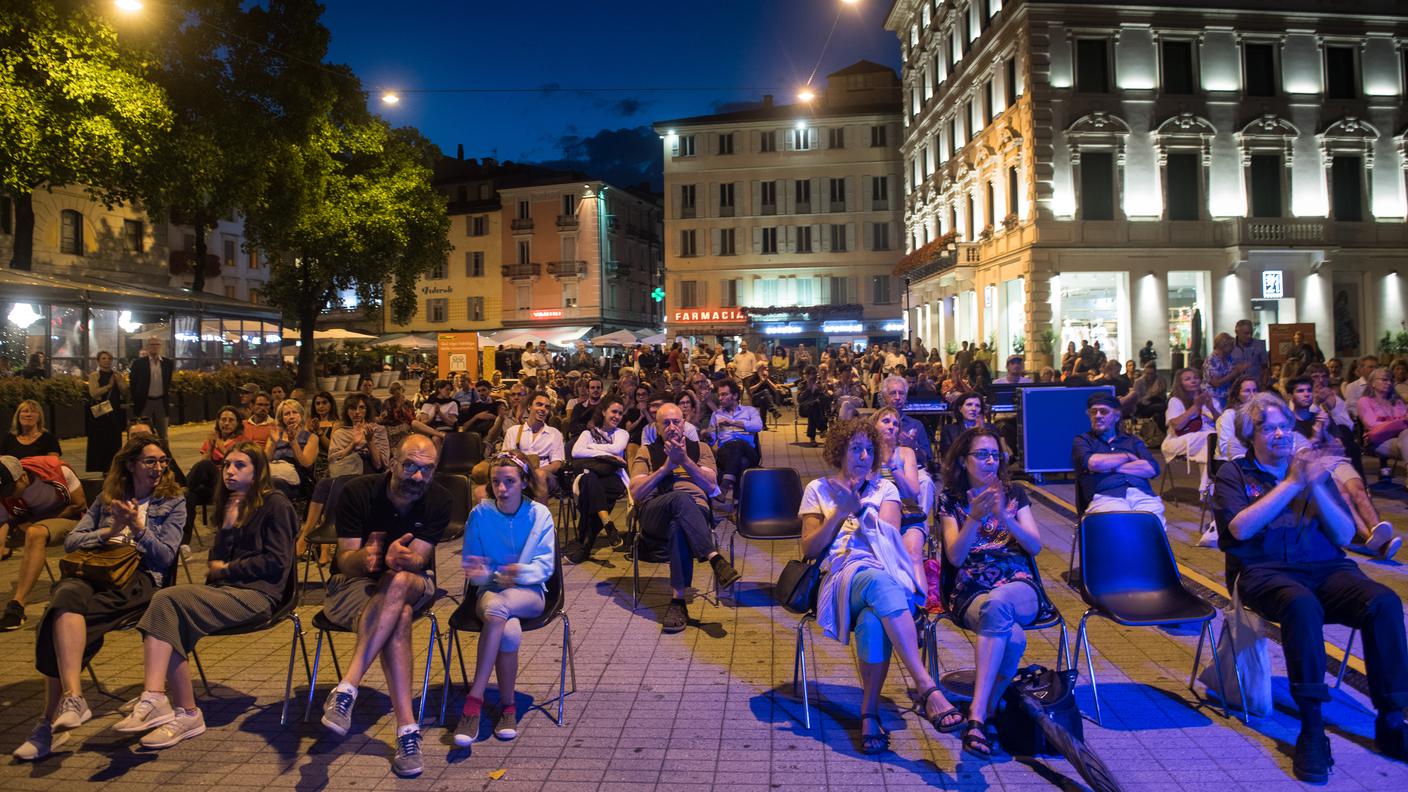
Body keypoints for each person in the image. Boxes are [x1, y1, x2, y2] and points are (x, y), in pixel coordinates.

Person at [1212, 392, 1408, 783]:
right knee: (1302, 606)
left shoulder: (1313, 473)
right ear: (1252, 435)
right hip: (1264, 572)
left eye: (1285, 426)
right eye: (1269, 428)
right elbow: (1239, 528)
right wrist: (1290, 483)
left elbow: (1344, 532)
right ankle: (1313, 728)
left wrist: (1315, 486)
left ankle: (1392, 718)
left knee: (1383, 601)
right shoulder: (1234, 474)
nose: (1281, 434)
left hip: (1327, 568)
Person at [10, 436, 184, 762]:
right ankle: (74, 698)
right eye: (150, 461)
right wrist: (107, 531)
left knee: (54, 621)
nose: (159, 467)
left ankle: (47, 726)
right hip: (96, 572)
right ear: (131, 464)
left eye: (163, 461)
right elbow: (74, 542)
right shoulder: (108, 499)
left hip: (139, 578)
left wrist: (138, 528)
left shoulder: (172, 502)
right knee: (63, 598)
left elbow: (164, 557)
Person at [113, 444, 296, 747]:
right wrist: (227, 525)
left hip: (261, 596)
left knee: (167, 600)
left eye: (240, 465)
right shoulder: (231, 504)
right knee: (167, 611)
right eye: (227, 465)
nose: (230, 472)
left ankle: (165, 702)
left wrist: (229, 569)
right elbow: (215, 564)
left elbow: (277, 563)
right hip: (226, 591)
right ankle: (179, 708)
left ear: (258, 471)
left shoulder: (276, 504)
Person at [799, 418, 963, 754]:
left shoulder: (885, 490)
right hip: (839, 577)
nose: (863, 455)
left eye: (869, 449)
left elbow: (887, 542)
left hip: (880, 573)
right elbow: (810, 549)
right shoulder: (817, 488)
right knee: (878, 582)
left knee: (874, 618)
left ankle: (869, 713)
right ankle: (926, 685)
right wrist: (837, 514)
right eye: (855, 448)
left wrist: (859, 511)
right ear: (839, 451)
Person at [320, 435, 451, 778]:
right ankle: (408, 731)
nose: (418, 477)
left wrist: (398, 559)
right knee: (401, 615)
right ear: (393, 462)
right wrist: (367, 558)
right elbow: (343, 561)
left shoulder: (439, 499)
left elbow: (418, 561)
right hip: (353, 585)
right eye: (410, 466)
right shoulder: (358, 493)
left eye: (426, 469)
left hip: (413, 581)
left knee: (399, 582)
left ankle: (348, 685)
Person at [937, 426, 1050, 757]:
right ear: (962, 461)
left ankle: (974, 714)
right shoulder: (951, 500)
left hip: (1019, 585)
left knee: (1000, 603)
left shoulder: (1014, 494)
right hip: (971, 588)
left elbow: (1034, 545)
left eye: (994, 455)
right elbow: (955, 557)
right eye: (981, 454)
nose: (990, 461)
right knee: (1013, 638)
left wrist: (1005, 518)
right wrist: (974, 518)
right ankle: (986, 711)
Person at [453, 451, 556, 745]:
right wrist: (480, 572)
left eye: (509, 481)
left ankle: (473, 703)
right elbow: (473, 569)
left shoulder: (539, 514)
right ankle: (508, 707)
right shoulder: (480, 514)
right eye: (496, 482)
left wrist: (518, 572)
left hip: (530, 593)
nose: (502, 489)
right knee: (508, 631)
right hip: (491, 592)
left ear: (524, 482)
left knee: (499, 608)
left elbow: (545, 566)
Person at [628, 402, 740, 632]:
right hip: (654, 512)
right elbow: (636, 492)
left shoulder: (701, 449)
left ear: (684, 424)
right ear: (657, 428)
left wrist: (685, 462)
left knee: (679, 524)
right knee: (679, 499)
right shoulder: (646, 451)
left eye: (676, 422)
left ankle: (678, 602)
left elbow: (711, 487)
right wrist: (666, 468)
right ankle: (713, 557)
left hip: (694, 513)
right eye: (665, 423)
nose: (671, 427)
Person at [1287, 377, 1400, 561]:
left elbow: (1339, 447)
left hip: (1336, 460)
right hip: (1315, 465)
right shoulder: (1288, 422)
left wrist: (1323, 432)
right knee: (1344, 496)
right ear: (1291, 395)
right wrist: (1316, 437)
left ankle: (1376, 530)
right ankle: (1373, 540)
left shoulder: (1322, 417)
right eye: (1300, 391)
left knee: (1358, 490)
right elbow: (1300, 454)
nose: (1306, 394)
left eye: (1308, 390)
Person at [0, 455, 87, 630]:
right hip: (28, 522)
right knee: (30, 531)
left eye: (11, 489)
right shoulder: (5, 493)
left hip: (71, 519)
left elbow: (80, 504)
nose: (8, 495)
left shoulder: (56, 470)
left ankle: (17, 605)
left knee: (35, 532)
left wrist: (39, 521)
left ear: (23, 476)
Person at [1071, 391, 1165, 520]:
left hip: (1141, 494)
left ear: (1116, 416)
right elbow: (1094, 463)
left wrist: (1111, 468)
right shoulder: (1083, 440)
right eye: (1093, 412)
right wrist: (1127, 456)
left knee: (1153, 519)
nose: (1097, 416)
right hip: (1106, 496)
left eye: (1103, 412)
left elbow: (1151, 469)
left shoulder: (1132, 441)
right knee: (1119, 519)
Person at [563, 398, 629, 564]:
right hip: (590, 479)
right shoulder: (587, 434)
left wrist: (591, 448)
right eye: (614, 411)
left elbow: (616, 449)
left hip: (613, 480)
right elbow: (576, 452)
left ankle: (582, 543)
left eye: (620, 413)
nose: (617, 416)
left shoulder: (622, 433)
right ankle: (605, 525)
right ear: (604, 412)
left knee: (590, 490)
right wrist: (606, 456)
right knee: (590, 482)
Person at [495, 392, 566, 503]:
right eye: (539, 404)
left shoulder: (554, 433)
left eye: (547, 407)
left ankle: (540, 519)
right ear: (529, 406)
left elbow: (556, 464)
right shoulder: (513, 431)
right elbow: (505, 459)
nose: (543, 409)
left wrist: (531, 473)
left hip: (546, 476)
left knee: (539, 475)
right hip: (517, 474)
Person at [1163, 367, 1218, 497]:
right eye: (1188, 379)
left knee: (1209, 450)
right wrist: (1196, 406)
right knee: (1210, 439)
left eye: (1195, 378)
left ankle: (1207, 491)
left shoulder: (1209, 398)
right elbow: (1177, 424)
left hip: (1205, 441)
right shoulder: (1175, 401)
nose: (1193, 381)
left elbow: (1221, 422)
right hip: (1176, 441)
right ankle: (1208, 491)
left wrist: (1211, 407)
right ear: (1180, 383)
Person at [707, 379, 763, 504]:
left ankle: (724, 487)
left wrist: (733, 423)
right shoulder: (716, 415)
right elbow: (712, 441)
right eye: (719, 395)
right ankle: (737, 504)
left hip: (749, 451)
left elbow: (758, 426)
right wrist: (709, 432)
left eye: (724, 394)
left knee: (738, 443)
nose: (720, 398)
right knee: (742, 463)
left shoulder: (749, 411)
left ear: (735, 396)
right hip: (725, 453)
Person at [188, 407, 247, 513]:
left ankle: (181, 487)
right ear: (218, 422)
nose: (226, 423)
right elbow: (202, 464)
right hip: (212, 484)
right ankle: (185, 529)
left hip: (229, 481)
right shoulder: (213, 439)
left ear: (238, 423)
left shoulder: (242, 440)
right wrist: (210, 447)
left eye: (231, 420)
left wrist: (221, 447)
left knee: (206, 465)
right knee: (190, 495)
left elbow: (238, 464)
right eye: (223, 420)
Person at [1359, 366, 1408, 478]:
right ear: (1372, 383)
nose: (1389, 383)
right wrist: (1400, 422)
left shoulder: (1397, 401)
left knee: (1406, 435)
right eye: (1384, 379)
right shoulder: (1365, 401)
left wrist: (1397, 423)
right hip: (1379, 441)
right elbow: (1372, 425)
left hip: (1402, 439)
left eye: (1391, 380)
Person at [879, 374, 934, 471]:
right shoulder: (874, 423)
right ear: (884, 396)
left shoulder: (916, 425)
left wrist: (913, 446)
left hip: (910, 470)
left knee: (926, 482)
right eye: (892, 393)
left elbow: (926, 459)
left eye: (901, 393)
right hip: (880, 469)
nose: (897, 397)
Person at [85, 350, 127, 474]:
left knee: (114, 440)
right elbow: (94, 393)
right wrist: (108, 386)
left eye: (109, 358)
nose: (107, 361)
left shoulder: (116, 375)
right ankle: (103, 467)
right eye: (103, 358)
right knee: (101, 440)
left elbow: (125, 392)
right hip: (101, 413)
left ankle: (114, 467)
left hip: (115, 412)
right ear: (98, 361)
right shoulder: (94, 376)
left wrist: (120, 382)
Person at [330, 393, 391, 477]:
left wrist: (370, 442)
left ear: (367, 410)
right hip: (345, 473)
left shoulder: (378, 430)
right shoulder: (340, 433)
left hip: (371, 475)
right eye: (353, 408)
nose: (357, 412)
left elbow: (379, 465)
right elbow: (333, 460)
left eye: (361, 407)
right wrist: (353, 444)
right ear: (347, 412)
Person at [267, 399, 319, 496]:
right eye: (286, 414)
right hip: (274, 472)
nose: (291, 416)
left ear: (301, 415)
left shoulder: (311, 437)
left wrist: (293, 441)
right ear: (282, 418)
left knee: (273, 484)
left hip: (297, 480)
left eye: (294, 412)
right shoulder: (276, 435)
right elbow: (264, 462)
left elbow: (306, 464)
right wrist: (274, 443)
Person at [129, 337, 173, 441]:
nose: (155, 347)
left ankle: (164, 455)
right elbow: (133, 383)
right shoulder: (139, 363)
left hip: (161, 401)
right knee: (144, 433)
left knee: (163, 434)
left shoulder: (167, 363)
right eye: (152, 344)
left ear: (160, 347)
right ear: (148, 347)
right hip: (145, 402)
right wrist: (136, 399)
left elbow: (168, 382)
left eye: (157, 344)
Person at [1215, 376, 1260, 462]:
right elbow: (1224, 448)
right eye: (1247, 391)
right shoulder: (1229, 414)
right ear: (1237, 395)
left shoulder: (1261, 414)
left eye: (1255, 390)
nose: (1253, 395)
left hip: (1253, 459)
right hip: (1229, 461)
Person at [939, 391, 987, 459]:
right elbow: (947, 456)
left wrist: (981, 431)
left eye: (977, 406)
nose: (974, 409)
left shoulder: (990, 429)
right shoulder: (949, 430)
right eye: (969, 404)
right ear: (960, 408)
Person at [411, 379, 459, 444]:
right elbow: (423, 423)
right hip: (431, 428)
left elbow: (451, 423)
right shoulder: (428, 403)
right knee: (414, 423)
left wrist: (439, 412)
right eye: (447, 389)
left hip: (444, 428)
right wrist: (432, 416)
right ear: (439, 389)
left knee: (435, 438)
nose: (449, 392)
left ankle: (438, 435)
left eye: (450, 390)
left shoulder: (452, 403)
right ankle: (439, 434)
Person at [797, 365, 833, 447]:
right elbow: (799, 399)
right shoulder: (801, 384)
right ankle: (823, 428)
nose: (814, 376)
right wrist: (809, 389)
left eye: (815, 374)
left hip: (816, 409)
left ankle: (812, 438)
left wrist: (818, 389)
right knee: (813, 406)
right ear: (807, 375)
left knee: (814, 407)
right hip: (803, 408)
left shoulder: (819, 385)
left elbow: (824, 398)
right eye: (812, 374)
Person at [1230, 318, 1270, 388]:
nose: (1249, 336)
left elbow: (1265, 368)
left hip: (1256, 387)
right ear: (1237, 332)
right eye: (1246, 333)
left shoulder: (1260, 345)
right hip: (1235, 387)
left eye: (1251, 333)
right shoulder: (1230, 347)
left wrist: (1263, 385)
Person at [377, 380, 417, 447]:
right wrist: (383, 416)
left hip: (406, 426)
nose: (397, 391)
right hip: (391, 426)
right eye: (395, 389)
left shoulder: (408, 403)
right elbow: (384, 417)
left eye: (399, 388)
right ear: (392, 391)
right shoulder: (387, 402)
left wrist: (403, 410)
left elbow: (412, 419)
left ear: (402, 389)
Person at [1202, 332, 1239, 405]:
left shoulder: (1228, 358)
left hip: (1227, 395)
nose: (1233, 348)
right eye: (1231, 345)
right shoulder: (1212, 360)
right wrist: (1234, 373)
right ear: (1223, 345)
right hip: (1214, 396)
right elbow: (1215, 383)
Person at [1343, 354, 1378, 421]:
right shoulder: (1352, 387)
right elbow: (1351, 408)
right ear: (1361, 369)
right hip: (1363, 421)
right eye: (1371, 367)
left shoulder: (1383, 384)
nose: (1374, 370)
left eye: (1376, 367)